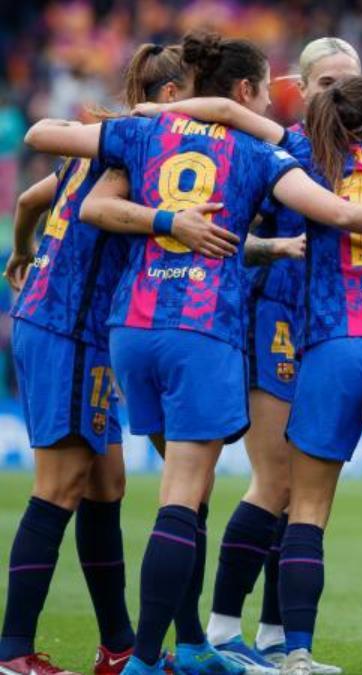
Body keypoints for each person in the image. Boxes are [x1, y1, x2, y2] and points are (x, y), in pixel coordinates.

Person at [24, 30, 362, 675]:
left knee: (175, 493)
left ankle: (191, 641)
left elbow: (48, 147)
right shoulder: (264, 151)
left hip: (131, 326)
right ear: (259, 91)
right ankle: (152, 656)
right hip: (205, 327)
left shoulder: (141, 136)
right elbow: (335, 212)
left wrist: (146, 142)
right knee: (186, 497)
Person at [0, 43, 200, 675]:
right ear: (171, 97)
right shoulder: (145, 148)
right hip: (66, 326)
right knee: (59, 487)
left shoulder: (107, 144)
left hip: (70, 325)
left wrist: (21, 252)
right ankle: (12, 652)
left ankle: (117, 648)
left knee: (107, 482)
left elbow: (33, 199)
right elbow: (91, 207)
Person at [201, 36, 360, 674]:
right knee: (277, 481)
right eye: (327, 85)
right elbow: (223, 235)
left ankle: (271, 638)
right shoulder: (276, 150)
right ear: (301, 86)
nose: (338, 97)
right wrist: (275, 251)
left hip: (328, 328)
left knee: (304, 495)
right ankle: (219, 628)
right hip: (273, 319)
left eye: (349, 85)